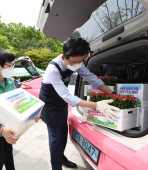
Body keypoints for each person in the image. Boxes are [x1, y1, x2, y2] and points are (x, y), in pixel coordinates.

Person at [36, 38, 120, 170]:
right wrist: (97, 105)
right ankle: (56, 167)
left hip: (61, 104)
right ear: (64, 57)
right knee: (56, 139)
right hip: (50, 106)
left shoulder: (76, 62)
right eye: (75, 62)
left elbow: (91, 77)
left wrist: (112, 94)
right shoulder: (53, 69)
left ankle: (61, 158)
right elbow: (67, 96)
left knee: (63, 135)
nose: (78, 65)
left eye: (81, 61)